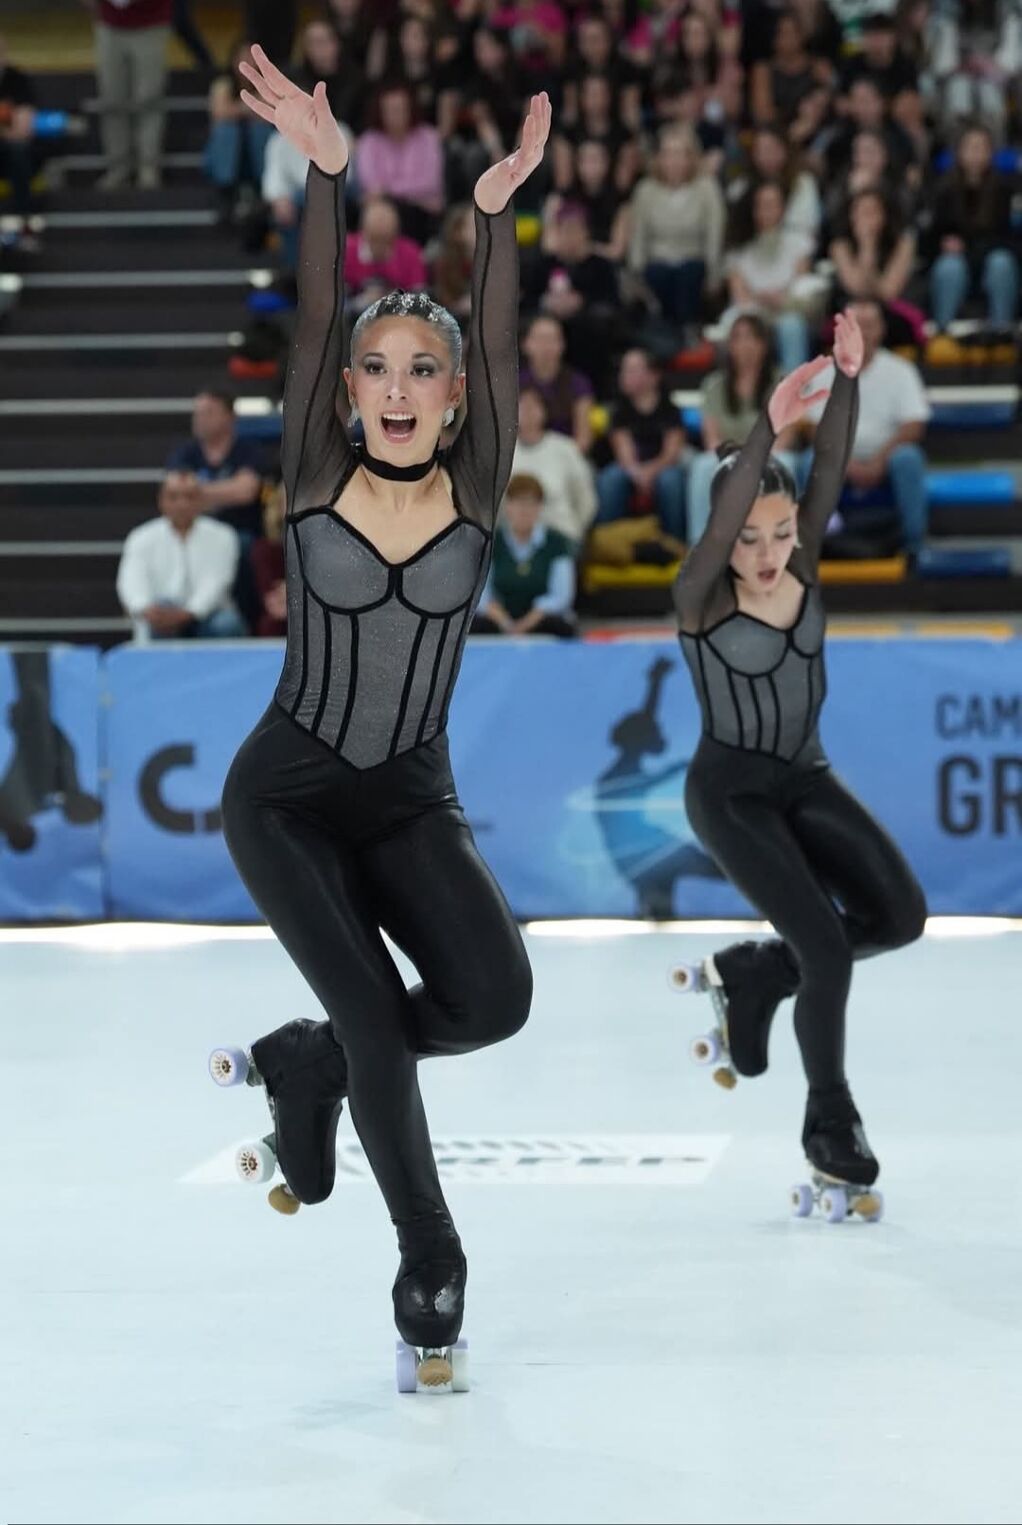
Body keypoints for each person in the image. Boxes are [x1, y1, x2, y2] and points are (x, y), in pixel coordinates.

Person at [220, 46, 544, 1362]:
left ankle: (309, 1066)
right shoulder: (308, 465)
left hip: (411, 790)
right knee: (379, 1019)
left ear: (455, 396)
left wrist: (493, 215)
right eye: (378, 369)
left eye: (425, 369)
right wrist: (325, 179)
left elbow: (504, 325)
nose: (399, 387)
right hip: (287, 795)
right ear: (344, 394)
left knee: (492, 1000)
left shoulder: (478, 480)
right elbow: (312, 310)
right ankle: (431, 1260)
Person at [672, 309, 926, 1200]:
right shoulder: (700, 594)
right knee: (825, 943)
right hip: (731, 793)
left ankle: (757, 972)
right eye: (750, 535)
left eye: (781, 533)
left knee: (899, 916)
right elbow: (736, 510)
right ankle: (830, 1117)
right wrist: (767, 425)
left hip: (804, 774)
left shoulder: (804, 555)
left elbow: (823, 473)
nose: (770, 551)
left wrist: (848, 379)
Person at [804, 298, 931, 557]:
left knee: (909, 458)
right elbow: (812, 428)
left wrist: (879, 461)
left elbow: (914, 425)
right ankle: (811, 547)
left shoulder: (900, 370)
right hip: (838, 455)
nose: (862, 332)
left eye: (869, 325)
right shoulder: (823, 371)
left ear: (881, 330)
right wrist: (846, 462)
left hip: (887, 453)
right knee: (809, 461)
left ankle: (915, 547)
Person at [687, 311, 803, 546]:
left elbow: (787, 436)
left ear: (764, 345)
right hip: (729, 456)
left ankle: (785, 545)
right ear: (729, 346)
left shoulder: (783, 383)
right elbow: (712, 439)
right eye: (738, 338)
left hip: (770, 454)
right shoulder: (713, 386)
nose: (745, 345)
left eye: (752, 338)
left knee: (787, 464)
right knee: (701, 466)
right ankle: (700, 547)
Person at [116, 471, 246, 641]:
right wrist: (145, 608)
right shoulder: (141, 537)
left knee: (227, 624)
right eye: (173, 497)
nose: (182, 504)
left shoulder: (223, 535)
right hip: (161, 615)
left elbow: (217, 583)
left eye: (189, 496)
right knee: (160, 610)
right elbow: (131, 581)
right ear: (161, 501)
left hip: (208, 616)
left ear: (201, 500)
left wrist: (189, 613)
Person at [627, 124, 726, 338]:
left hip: (693, 263)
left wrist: (714, 275)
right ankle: (664, 332)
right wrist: (635, 274)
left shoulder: (706, 188)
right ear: (659, 158)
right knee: (657, 275)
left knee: (688, 275)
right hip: (658, 265)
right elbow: (639, 237)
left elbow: (714, 235)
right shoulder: (645, 190)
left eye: (680, 154)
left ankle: (688, 330)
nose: (673, 161)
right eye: (668, 154)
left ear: (691, 158)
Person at [928, 121, 1019, 333]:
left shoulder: (1007, 189)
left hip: (994, 256)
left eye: (982, 147)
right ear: (958, 152)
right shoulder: (943, 190)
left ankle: (1002, 330)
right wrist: (944, 244)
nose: (976, 154)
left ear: (991, 152)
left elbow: (1013, 238)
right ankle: (944, 332)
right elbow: (930, 237)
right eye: (970, 147)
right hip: (957, 262)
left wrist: (979, 249)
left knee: (1001, 263)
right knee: (949, 266)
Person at [595, 348, 688, 542]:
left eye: (633, 370)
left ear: (653, 376)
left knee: (670, 480)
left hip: (663, 466)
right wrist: (637, 473)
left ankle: (675, 544)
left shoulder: (670, 410)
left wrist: (651, 472)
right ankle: (606, 541)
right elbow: (623, 451)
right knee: (611, 479)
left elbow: (672, 452)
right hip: (631, 467)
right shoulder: (619, 411)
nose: (625, 376)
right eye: (624, 370)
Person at [473, 473, 578, 637]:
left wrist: (528, 622)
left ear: (540, 507)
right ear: (507, 506)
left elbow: (561, 595)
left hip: (542, 622)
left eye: (531, 504)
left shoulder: (557, 543)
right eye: (518, 503)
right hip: (500, 621)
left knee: (560, 627)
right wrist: (504, 622)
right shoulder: (491, 543)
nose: (524, 510)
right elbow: (481, 594)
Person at [86, 0, 172, 191]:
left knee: (149, 99)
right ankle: (118, 167)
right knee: (112, 99)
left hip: (151, 24)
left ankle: (148, 167)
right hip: (110, 25)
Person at [166, 391, 266, 538]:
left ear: (230, 416)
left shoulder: (248, 451)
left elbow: (245, 492)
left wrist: (197, 492)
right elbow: (177, 493)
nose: (200, 419)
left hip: (240, 532)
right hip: (196, 532)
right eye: (197, 413)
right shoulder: (185, 453)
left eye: (209, 413)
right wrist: (229, 489)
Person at [512, 387, 596, 545]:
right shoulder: (502, 452)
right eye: (522, 406)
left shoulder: (566, 448)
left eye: (534, 406)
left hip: (562, 535)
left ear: (545, 411)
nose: (528, 412)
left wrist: (575, 531)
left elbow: (586, 500)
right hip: (512, 541)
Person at [518, 313, 595, 454]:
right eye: (541, 339)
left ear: (563, 344)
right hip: (522, 454)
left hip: (565, 455)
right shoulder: (513, 384)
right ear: (526, 344)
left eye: (553, 339)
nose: (547, 346)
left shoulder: (578, 383)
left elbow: (584, 437)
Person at [344, 196, 427, 314]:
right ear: (364, 232)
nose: (380, 247)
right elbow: (335, 302)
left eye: (386, 241)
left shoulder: (410, 253)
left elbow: (420, 301)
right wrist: (358, 303)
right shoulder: (346, 251)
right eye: (375, 240)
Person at [0, 34, 38, 237]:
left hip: (8, 152)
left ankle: (24, 223)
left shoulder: (17, 80)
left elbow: (21, 131)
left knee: (19, 150)